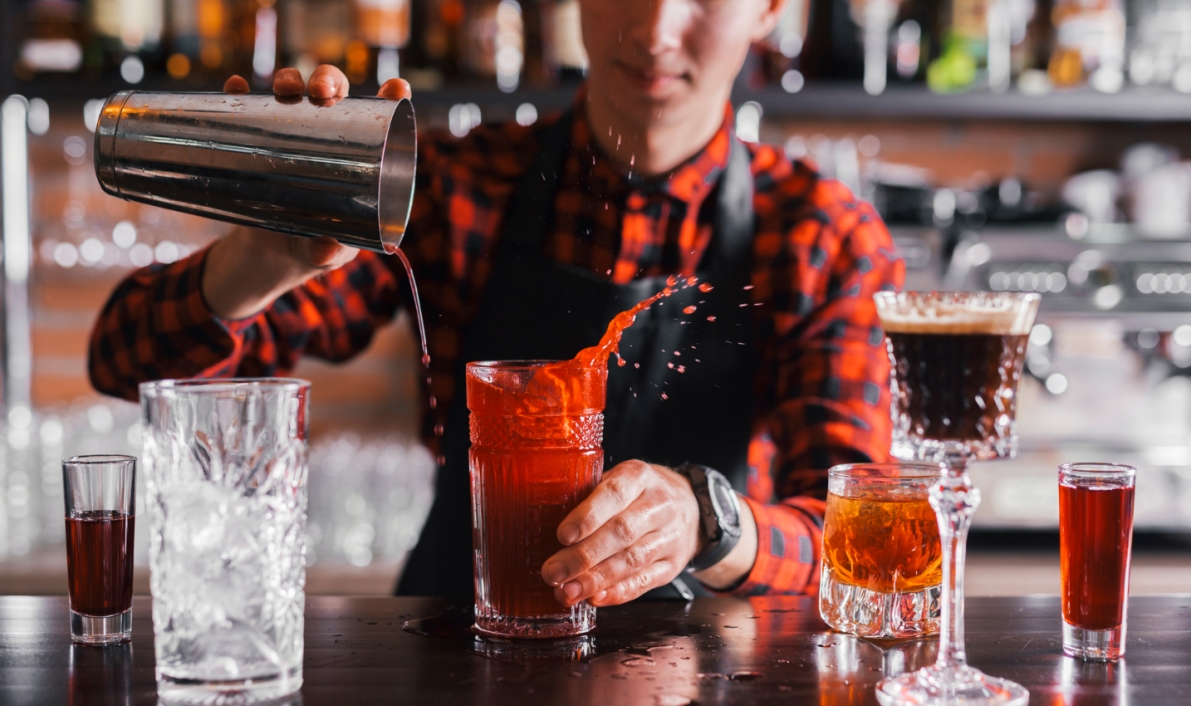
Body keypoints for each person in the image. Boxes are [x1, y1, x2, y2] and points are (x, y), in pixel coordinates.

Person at [88, 0, 903, 606]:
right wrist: (262, 257)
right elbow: (124, 361)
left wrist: (710, 521)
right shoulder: (450, 189)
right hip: (456, 651)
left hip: (711, 671)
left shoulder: (821, 237)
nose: (656, 30)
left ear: (768, 9)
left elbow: (858, 538)